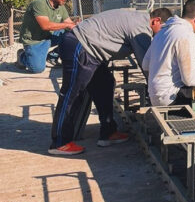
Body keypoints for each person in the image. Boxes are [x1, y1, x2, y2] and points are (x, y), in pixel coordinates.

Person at [48, 8, 173, 156]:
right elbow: (147, 65)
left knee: (105, 84)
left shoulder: (139, 20)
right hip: (79, 45)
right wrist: (161, 91)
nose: (162, 34)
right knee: (71, 93)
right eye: (163, 29)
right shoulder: (141, 28)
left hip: (90, 50)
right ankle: (59, 142)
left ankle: (108, 132)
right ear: (156, 20)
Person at [16, 0, 77, 73]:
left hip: (49, 36)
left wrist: (78, 26)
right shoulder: (39, 4)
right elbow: (45, 26)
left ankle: (52, 56)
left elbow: (69, 24)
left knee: (72, 34)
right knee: (37, 69)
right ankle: (22, 56)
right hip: (34, 41)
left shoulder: (61, 6)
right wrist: (68, 25)